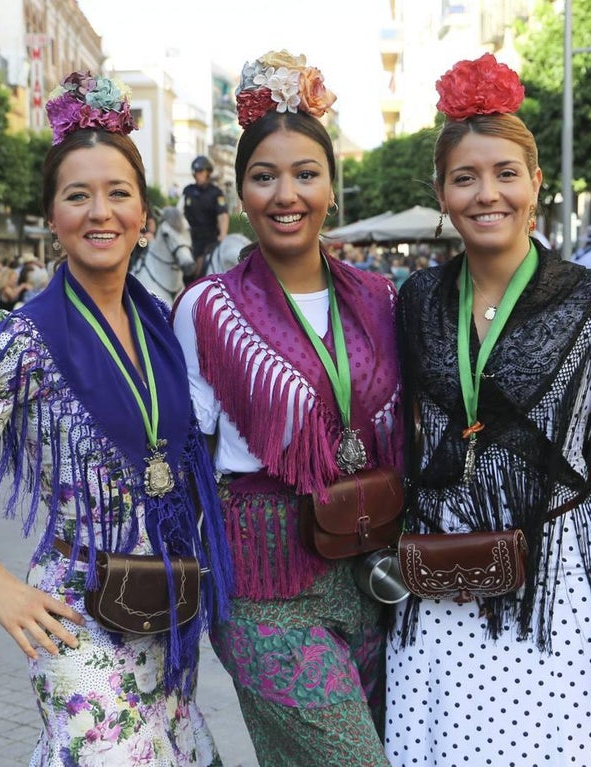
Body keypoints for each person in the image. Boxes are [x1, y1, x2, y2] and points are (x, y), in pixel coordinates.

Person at [0, 71, 232, 766]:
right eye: (78, 195)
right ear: (52, 218)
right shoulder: (19, 339)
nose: (100, 212)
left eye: (118, 193)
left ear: (144, 217)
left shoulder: (159, 320)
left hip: (168, 611)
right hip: (79, 619)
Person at [389, 53, 591, 766]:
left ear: (537, 182)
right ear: (443, 192)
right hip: (438, 582)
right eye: (465, 177)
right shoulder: (416, 299)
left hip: (559, 584)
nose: (488, 194)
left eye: (506, 173)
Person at [173, 50, 399, 766]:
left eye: (306, 173)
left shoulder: (380, 298)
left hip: (370, 572)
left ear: (332, 184)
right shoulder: (209, 308)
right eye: (264, 176)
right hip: (263, 581)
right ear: (241, 192)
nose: (285, 193)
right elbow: (184, 454)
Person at [182, 154, 229, 281]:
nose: (197, 174)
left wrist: (223, 234)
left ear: (208, 172)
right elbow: (180, 212)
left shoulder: (216, 193)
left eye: (200, 171)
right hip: (188, 238)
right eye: (196, 172)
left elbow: (222, 215)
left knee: (198, 267)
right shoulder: (188, 191)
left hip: (208, 240)